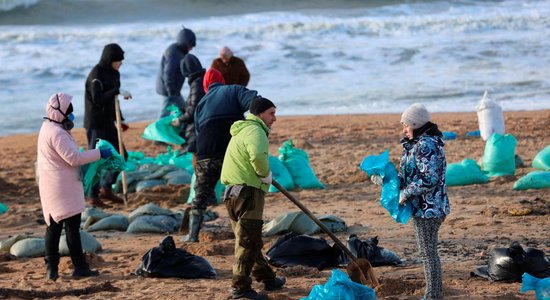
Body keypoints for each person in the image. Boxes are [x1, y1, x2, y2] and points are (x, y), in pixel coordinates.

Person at [372, 103, 450, 300]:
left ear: (416, 124)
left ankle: (433, 296)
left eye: (406, 125)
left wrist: (405, 194)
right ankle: (434, 295)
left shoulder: (426, 145)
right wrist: (386, 180)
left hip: (430, 209)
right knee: (427, 253)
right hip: (423, 208)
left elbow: (429, 179)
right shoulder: (415, 144)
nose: (404, 129)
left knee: (428, 254)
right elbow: (408, 176)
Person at [38, 92, 111, 281]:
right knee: (71, 227)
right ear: (61, 112)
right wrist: (98, 153)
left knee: (53, 226)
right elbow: (74, 158)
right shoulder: (57, 133)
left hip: (54, 184)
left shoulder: (48, 127)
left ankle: (51, 269)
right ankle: (79, 267)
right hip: (63, 187)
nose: (71, 115)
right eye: (69, 112)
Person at [183, 68, 258, 243]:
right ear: (221, 80)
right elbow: (255, 102)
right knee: (237, 191)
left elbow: (197, 131)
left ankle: (192, 236)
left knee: (200, 195)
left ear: (205, 85)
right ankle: (242, 231)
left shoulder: (200, 104)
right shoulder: (233, 90)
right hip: (228, 154)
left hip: (204, 156)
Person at [220, 97, 285, 299]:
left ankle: (268, 279)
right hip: (248, 192)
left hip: (232, 192)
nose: (275, 118)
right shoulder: (256, 131)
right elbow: (257, 155)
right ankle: (240, 288)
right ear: (259, 114)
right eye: (271, 113)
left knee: (250, 238)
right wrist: (264, 174)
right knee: (248, 241)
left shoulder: (242, 131)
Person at [84, 43, 131, 208]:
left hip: (109, 121)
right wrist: (116, 91)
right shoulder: (96, 74)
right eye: (118, 61)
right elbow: (97, 100)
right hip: (95, 123)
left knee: (121, 155)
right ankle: (92, 195)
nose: (120, 63)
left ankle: (106, 187)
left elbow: (113, 101)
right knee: (96, 158)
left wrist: (121, 120)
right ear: (109, 59)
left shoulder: (114, 73)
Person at [156, 27, 196, 118]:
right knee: (165, 113)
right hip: (168, 90)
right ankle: (157, 130)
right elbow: (168, 73)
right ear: (186, 43)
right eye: (191, 46)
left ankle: (178, 129)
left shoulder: (179, 51)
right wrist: (170, 92)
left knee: (182, 109)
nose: (191, 49)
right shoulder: (174, 53)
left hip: (173, 90)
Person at [170, 53, 206, 155]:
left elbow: (193, 110)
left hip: (197, 129)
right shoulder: (201, 80)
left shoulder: (196, 84)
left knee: (195, 154)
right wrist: (182, 110)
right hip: (202, 125)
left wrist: (179, 120)